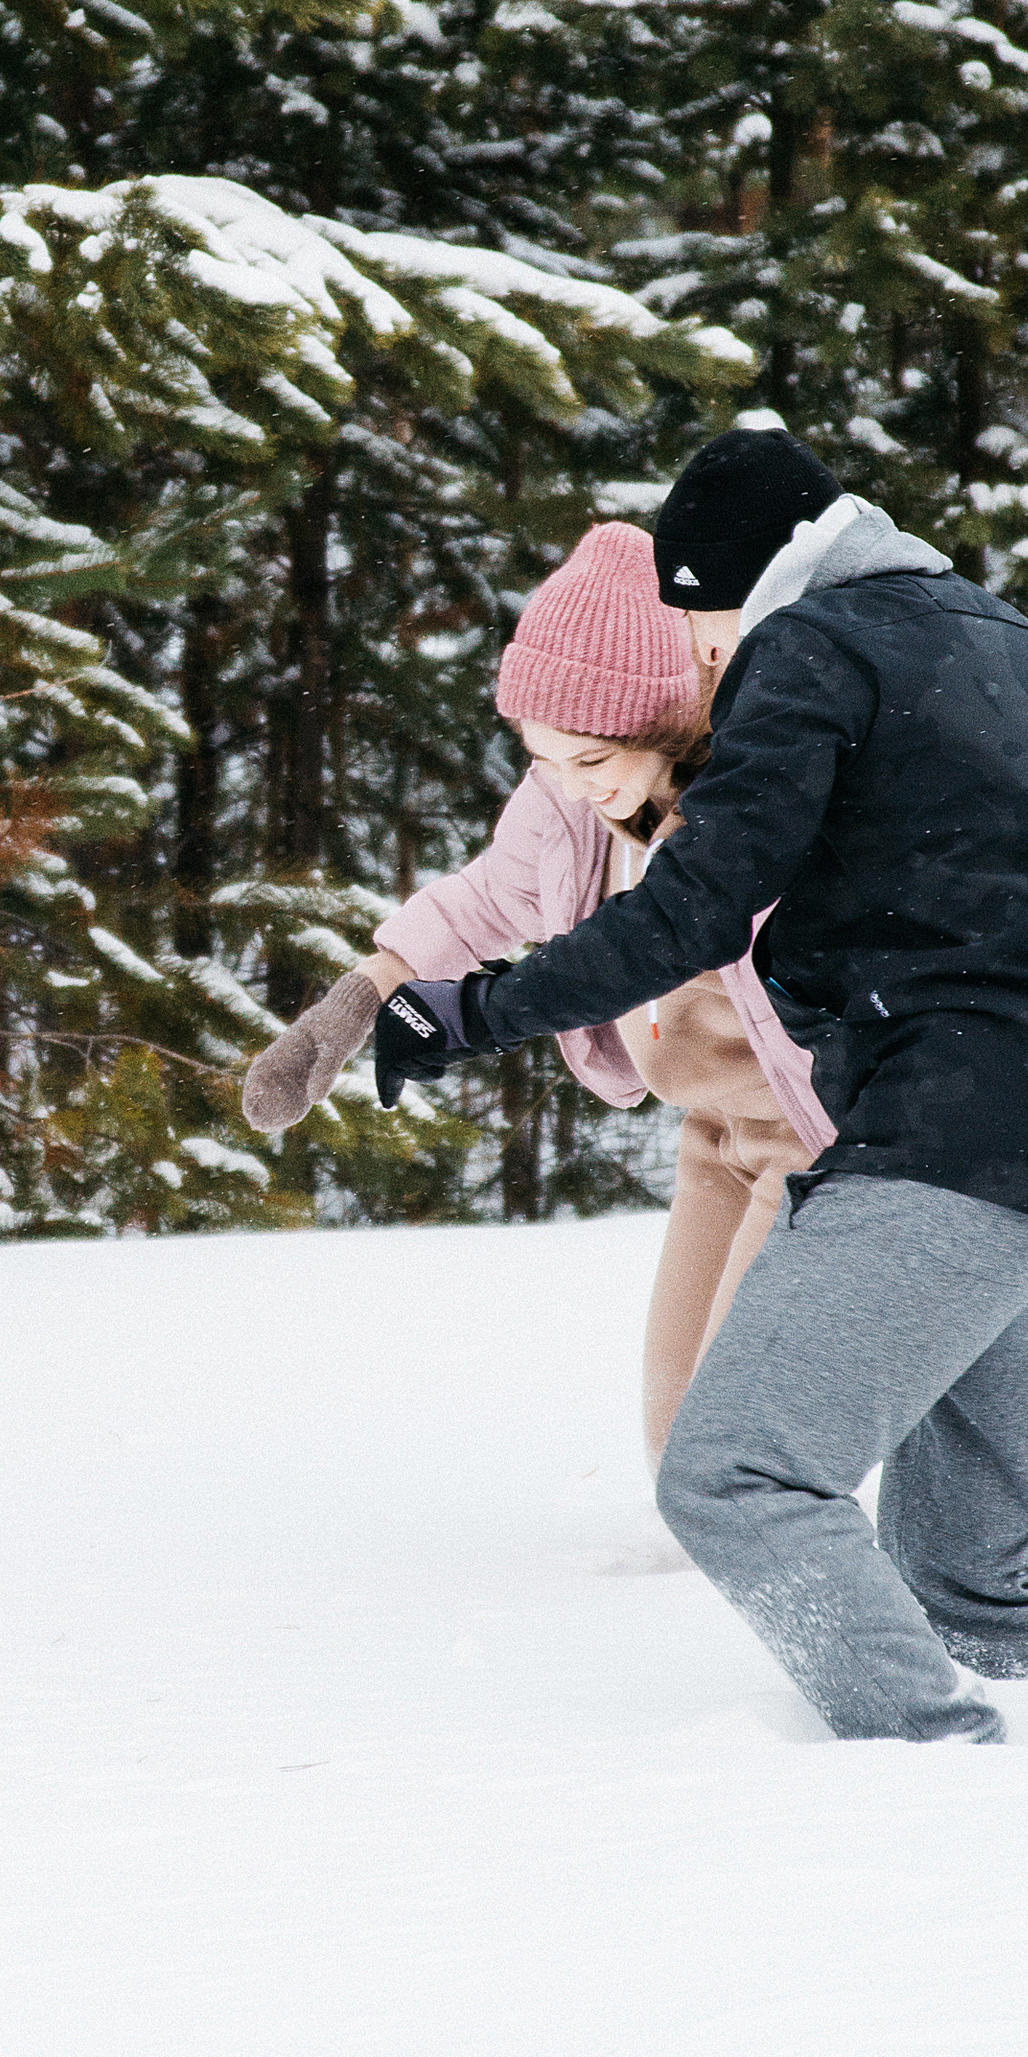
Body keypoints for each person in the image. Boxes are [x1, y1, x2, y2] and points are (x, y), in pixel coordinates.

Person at [373, 423, 1028, 1746]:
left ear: (739, 589)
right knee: (974, 1591)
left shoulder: (808, 646)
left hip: (948, 1151)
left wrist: (467, 1011)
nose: (706, 666)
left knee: (733, 1470)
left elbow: (690, 911)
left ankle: (931, 1757)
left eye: (701, 631)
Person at [240, 519, 834, 1465]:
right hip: (710, 1137)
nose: (570, 787)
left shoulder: (753, 804)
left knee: (739, 1454)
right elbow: (486, 896)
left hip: (809, 1138)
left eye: (591, 761)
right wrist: (362, 992)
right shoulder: (567, 798)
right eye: (544, 760)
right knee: (678, 1439)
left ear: (665, 719)